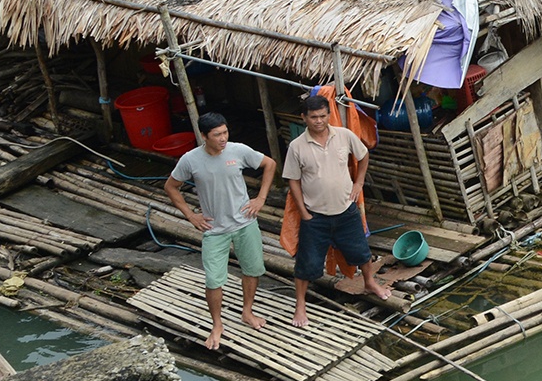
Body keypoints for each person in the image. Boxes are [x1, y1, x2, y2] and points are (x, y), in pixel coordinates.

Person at [163, 111, 275, 351]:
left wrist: (260, 198)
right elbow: (171, 186)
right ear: (204, 136)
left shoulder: (238, 151)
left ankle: (247, 311)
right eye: (217, 135)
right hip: (215, 229)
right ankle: (217, 324)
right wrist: (191, 215)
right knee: (214, 280)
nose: (223, 138)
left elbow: (269, 164)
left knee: (252, 269)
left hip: (245, 222)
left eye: (225, 132)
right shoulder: (190, 160)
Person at [284, 92, 392, 326]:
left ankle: (369, 282)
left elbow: (363, 156)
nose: (319, 121)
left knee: (361, 252)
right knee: (307, 264)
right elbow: (293, 180)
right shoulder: (296, 147)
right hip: (315, 216)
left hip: (346, 210)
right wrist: (303, 212)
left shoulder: (344, 135)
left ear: (329, 114)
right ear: (304, 117)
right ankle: (300, 307)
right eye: (314, 117)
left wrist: (359, 183)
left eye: (323, 116)